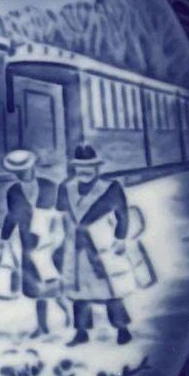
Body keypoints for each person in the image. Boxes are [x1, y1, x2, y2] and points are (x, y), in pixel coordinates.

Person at [57, 144, 132, 346]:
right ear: (75, 167)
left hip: (100, 246)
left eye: (89, 166)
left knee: (110, 289)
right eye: (80, 166)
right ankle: (81, 332)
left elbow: (123, 215)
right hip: (75, 247)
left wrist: (120, 238)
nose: (85, 170)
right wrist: (61, 239)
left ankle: (122, 329)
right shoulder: (66, 188)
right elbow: (62, 215)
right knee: (79, 292)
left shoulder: (110, 188)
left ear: (97, 167)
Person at [0, 148, 64, 336]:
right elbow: (12, 216)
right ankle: (42, 326)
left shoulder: (50, 186)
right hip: (29, 244)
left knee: (57, 282)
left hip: (52, 243)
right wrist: (4, 238)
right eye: (17, 171)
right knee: (36, 287)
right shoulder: (13, 192)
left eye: (24, 169)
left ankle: (70, 318)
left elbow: (62, 213)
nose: (21, 174)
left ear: (32, 167)